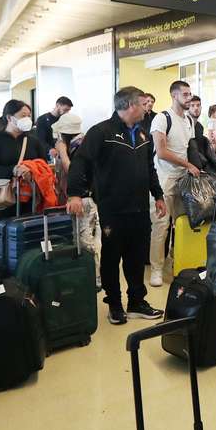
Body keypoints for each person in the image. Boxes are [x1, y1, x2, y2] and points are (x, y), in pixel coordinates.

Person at [67, 86, 166, 324]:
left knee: (136, 257)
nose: (146, 108)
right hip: (113, 209)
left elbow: (149, 168)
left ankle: (136, 301)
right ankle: (114, 304)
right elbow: (80, 162)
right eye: (143, 104)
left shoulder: (143, 133)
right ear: (131, 105)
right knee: (112, 257)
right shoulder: (101, 132)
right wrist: (74, 195)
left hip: (140, 208)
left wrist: (159, 195)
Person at [0, 100, 50, 281]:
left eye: (29, 115)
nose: (27, 119)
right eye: (23, 116)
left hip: (28, 201)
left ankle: (21, 284)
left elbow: (43, 167)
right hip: (1, 200)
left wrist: (35, 171)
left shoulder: (33, 141)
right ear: (10, 117)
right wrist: (14, 169)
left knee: (25, 241)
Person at [148, 80, 198, 288]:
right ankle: (156, 269)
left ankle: (176, 260)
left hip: (183, 179)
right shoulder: (162, 118)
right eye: (185, 94)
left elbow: (190, 148)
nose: (189, 98)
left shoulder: (189, 120)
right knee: (161, 225)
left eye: (190, 94)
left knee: (182, 223)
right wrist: (187, 164)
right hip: (164, 178)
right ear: (174, 95)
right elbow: (161, 151)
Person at [53, 112, 101, 288]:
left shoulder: (76, 146)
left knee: (85, 239)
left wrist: (62, 152)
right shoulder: (82, 141)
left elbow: (74, 170)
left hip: (83, 199)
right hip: (85, 197)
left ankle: (94, 277)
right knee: (85, 238)